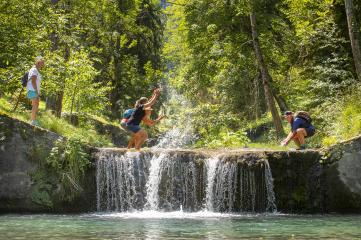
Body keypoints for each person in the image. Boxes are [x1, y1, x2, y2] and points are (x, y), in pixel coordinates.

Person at [26, 56, 45, 126]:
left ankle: (33, 120)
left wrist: (38, 91)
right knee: (35, 104)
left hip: (33, 89)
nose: (44, 64)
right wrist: (36, 91)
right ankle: (33, 121)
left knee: (36, 104)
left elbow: (35, 82)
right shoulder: (34, 70)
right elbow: (33, 81)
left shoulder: (36, 70)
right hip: (32, 89)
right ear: (38, 62)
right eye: (42, 62)